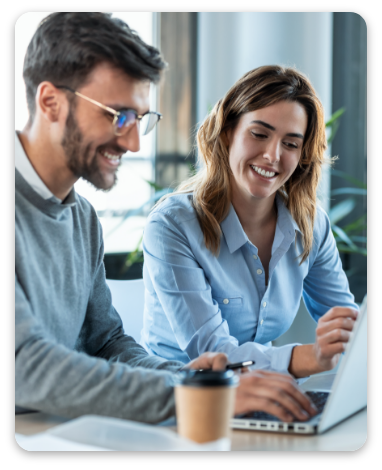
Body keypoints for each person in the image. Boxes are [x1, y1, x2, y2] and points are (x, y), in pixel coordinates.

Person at [15, 13, 317, 425]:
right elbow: (26, 367)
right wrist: (188, 394)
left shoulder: (80, 218)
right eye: (117, 115)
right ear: (50, 101)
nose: (134, 142)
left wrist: (191, 379)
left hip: (58, 429)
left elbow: (106, 342)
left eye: (140, 119)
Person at [141, 65, 359, 379]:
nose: (273, 155)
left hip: (266, 394)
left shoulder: (311, 225)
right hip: (182, 399)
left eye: (291, 144)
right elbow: (213, 353)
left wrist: (348, 337)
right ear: (228, 132)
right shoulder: (172, 225)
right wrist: (313, 357)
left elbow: (347, 324)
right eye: (259, 134)